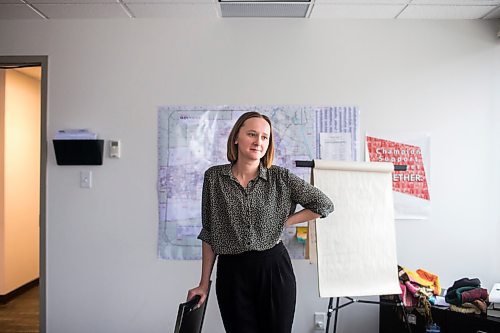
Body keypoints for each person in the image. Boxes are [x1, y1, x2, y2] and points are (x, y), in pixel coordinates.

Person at [187, 111, 334, 333]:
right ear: (236, 137)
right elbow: (209, 233)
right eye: (252, 134)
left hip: (274, 270)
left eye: (265, 137)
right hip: (232, 274)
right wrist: (203, 284)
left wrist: (284, 221)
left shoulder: (281, 178)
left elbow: (324, 205)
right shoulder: (214, 178)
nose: (259, 142)